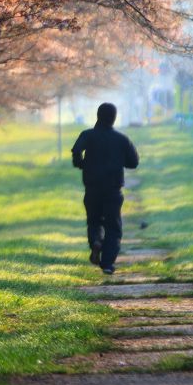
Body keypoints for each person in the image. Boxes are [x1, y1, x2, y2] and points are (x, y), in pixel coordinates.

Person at [71, 103, 139, 274]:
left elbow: (76, 151)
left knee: (93, 221)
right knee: (113, 227)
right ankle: (107, 263)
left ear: (98, 115)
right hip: (113, 190)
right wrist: (118, 160)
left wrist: (81, 163)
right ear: (114, 118)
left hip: (92, 188)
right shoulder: (121, 139)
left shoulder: (88, 135)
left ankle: (95, 241)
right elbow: (133, 162)